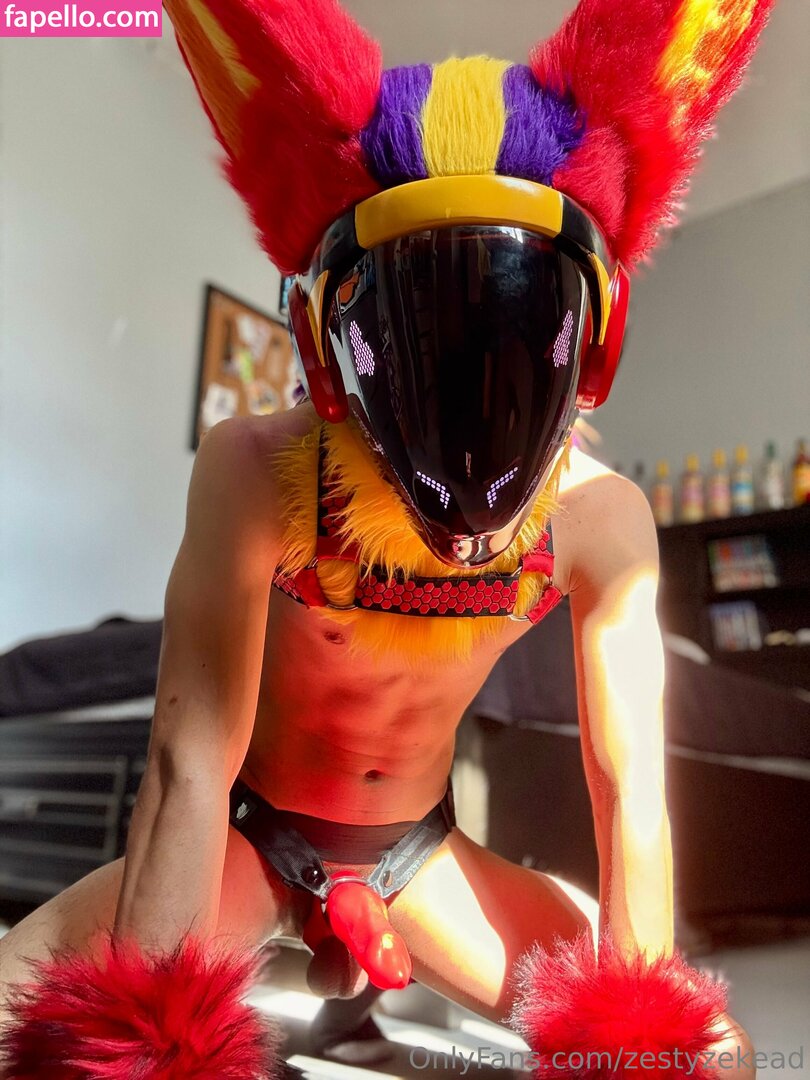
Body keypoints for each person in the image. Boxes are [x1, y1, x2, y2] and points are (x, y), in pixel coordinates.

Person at [0, 0, 774, 1075]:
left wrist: (638, 1023)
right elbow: (190, 757)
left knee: (708, 1057)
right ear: (327, 350)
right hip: (251, 838)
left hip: (419, 855)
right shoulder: (252, 468)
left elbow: (629, 781)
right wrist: (150, 1025)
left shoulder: (604, 519)